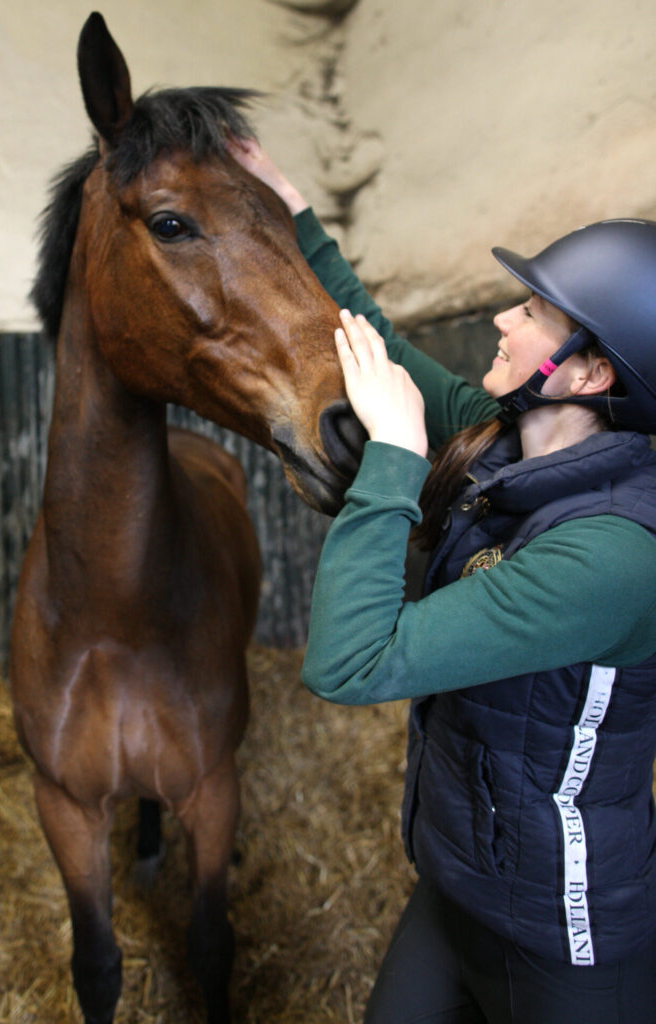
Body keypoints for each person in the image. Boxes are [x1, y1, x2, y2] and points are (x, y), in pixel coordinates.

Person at [228, 138, 656, 1023]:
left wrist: (392, 457)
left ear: (587, 372)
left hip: (561, 937)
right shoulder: (501, 440)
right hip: (459, 880)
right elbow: (377, 345)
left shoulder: (611, 556)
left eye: (535, 312)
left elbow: (351, 664)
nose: (504, 319)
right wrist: (292, 211)